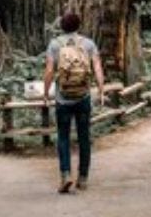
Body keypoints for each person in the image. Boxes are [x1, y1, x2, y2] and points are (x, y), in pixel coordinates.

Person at [42, 11, 107, 194]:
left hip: (63, 99)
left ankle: (65, 175)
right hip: (83, 97)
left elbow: (49, 71)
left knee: (63, 137)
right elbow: (97, 67)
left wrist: (46, 93)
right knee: (84, 137)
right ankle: (83, 178)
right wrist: (101, 89)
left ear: (61, 26)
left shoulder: (55, 45)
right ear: (79, 25)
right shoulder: (88, 44)